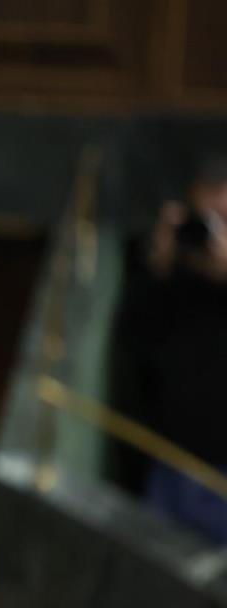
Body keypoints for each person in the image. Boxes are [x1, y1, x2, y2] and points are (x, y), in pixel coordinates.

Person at [114, 156, 227, 543]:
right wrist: (160, 265)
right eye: (205, 220)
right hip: (170, 460)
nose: (212, 234)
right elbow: (130, 340)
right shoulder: (172, 281)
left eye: (225, 221)